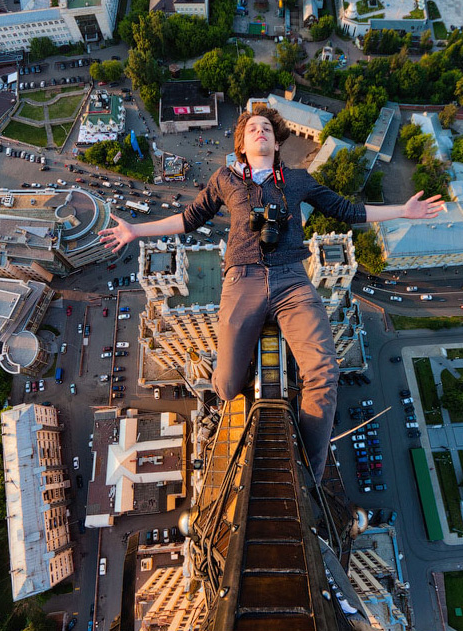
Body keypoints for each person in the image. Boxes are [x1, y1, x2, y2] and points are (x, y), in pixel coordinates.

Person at [99, 104, 445, 483]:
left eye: (266, 128)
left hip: (292, 282)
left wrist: (404, 212)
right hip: (241, 280)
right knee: (227, 385)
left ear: (277, 142)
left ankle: (309, 476)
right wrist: (135, 230)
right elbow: (187, 220)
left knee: (324, 371)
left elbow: (348, 211)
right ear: (242, 146)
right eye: (252, 129)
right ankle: (238, 397)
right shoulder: (226, 179)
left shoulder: (297, 179)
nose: (259, 131)